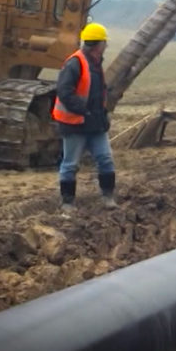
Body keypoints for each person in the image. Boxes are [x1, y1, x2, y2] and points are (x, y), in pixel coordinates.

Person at [52, 22, 118, 210]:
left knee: (105, 159)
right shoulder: (75, 63)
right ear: (99, 44)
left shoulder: (95, 64)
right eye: (104, 43)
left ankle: (108, 198)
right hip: (75, 124)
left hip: (95, 123)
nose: (105, 46)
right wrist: (84, 110)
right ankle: (67, 202)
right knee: (70, 164)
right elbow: (64, 92)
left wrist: (101, 115)